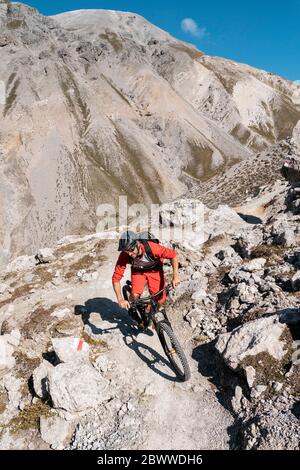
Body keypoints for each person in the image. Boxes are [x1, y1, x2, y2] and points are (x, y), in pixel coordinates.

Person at [112, 231, 180, 317]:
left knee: (159, 298)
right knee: (134, 295)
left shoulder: (153, 248)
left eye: (132, 250)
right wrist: (120, 299)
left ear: (138, 244)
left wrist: (176, 276)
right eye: (126, 251)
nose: (129, 254)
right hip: (138, 271)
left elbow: (173, 255)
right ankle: (133, 309)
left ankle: (151, 311)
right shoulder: (125, 255)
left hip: (155, 270)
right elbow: (116, 278)